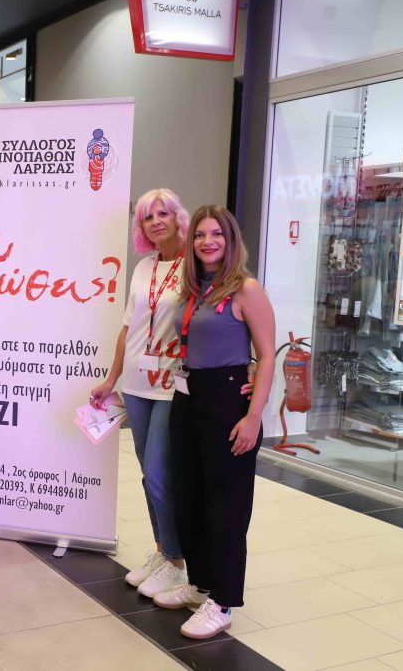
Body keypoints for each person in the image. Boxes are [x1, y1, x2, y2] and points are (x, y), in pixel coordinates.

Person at [157, 205, 275, 640]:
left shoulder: (246, 289)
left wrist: (253, 416)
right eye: (200, 235)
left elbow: (266, 356)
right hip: (188, 398)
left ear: (231, 240)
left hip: (228, 401)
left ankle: (223, 601)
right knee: (188, 495)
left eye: (217, 234)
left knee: (226, 506)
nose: (208, 242)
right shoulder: (194, 289)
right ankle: (200, 583)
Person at [90, 188, 191, 598]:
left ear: (178, 217)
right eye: (148, 217)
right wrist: (111, 379)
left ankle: (177, 561)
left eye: (163, 213)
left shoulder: (194, 266)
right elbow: (126, 328)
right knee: (150, 476)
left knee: (161, 474)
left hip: (170, 384)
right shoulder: (144, 268)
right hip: (135, 383)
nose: (156, 222)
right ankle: (163, 551)